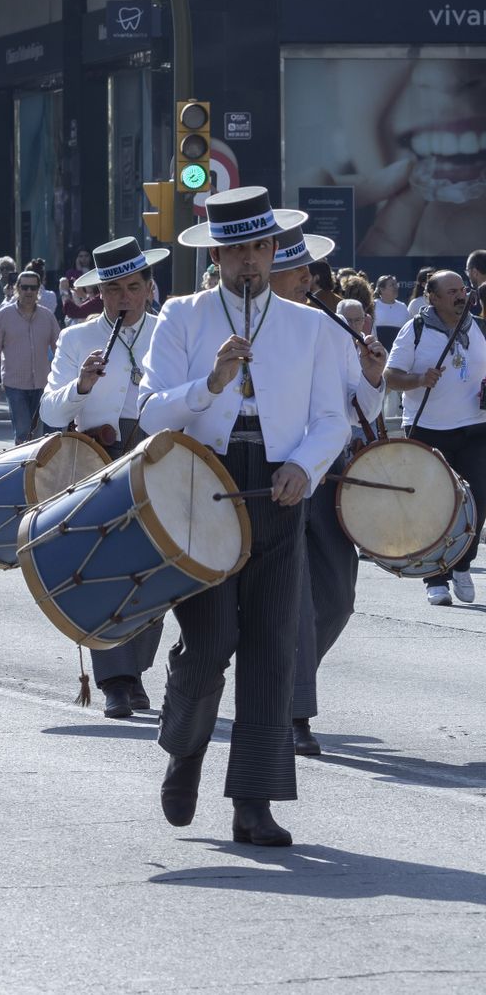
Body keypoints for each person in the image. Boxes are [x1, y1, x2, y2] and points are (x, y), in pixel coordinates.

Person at [139, 187, 349, 847]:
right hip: (204, 487)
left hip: (279, 491)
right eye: (236, 251)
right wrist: (211, 384)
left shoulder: (310, 326)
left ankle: (253, 802)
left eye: (259, 248)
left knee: (271, 647)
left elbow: (330, 420)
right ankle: (186, 751)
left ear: (273, 248)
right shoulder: (183, 317)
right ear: (218, 255)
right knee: (208, 641)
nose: (250, 261)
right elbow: (149, 412)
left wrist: (305, 468)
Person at [268, 232, 386, 759]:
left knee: (338, 596)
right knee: (293, 597)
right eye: (298, 277)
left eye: (309, 277)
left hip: (326, 471)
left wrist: (373, 375)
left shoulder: (333, 329)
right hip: (270, 475)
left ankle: (281, 673)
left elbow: (355, 401)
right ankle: (293, 710)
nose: (307, 285)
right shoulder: (251, 325)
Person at [40, 237, 169, 717]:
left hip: (158, 457)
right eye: (113, 290)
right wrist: (81, 386)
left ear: (149, 288)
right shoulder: (76, 339)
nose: (124, 299)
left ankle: (135, 671)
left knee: (156, 565)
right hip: (99, 458)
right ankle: (115, 680)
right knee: (102, 569)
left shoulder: (167, 332)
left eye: (133, 287)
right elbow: (50, 411)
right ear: (100, 294)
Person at [384, 269, 486, 608]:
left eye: (464, 289)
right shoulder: (414, 330)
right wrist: (418, 379)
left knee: (479, 499)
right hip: (429, 429)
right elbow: (391, 377)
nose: (462, 295)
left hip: (475, 427)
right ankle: (436, 578)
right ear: (434, 297)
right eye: (453, 291)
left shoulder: (479, 326)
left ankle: (462, 564)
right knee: (436, 506)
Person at [0, 269, 58, 444]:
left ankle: (36, 468)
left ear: (38, 290)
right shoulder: (3, 315)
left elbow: (61, 350)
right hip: (14, 383)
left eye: (33, 288)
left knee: (40, 434)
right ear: (17, 288)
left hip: (42, 383)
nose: (29, 292)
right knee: (23, 431)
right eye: (24, 287)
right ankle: (23, 468)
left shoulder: (47, 316)